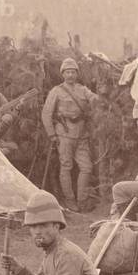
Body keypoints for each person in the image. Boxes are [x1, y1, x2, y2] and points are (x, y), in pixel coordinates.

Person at [41, 57, 98, 212]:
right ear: (63, 74)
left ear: (77, 74)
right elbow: (46, 114)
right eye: (67, 72)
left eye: (73, 72)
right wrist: (52, 135)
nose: (70, 75)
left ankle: (82, 200)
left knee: (86, 167)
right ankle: (69, 200)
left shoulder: (83, 89)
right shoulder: (57, 91)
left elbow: (95, 100)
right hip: (64, 134)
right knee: (66, 166)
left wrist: (99, 98)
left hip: (82, 135)